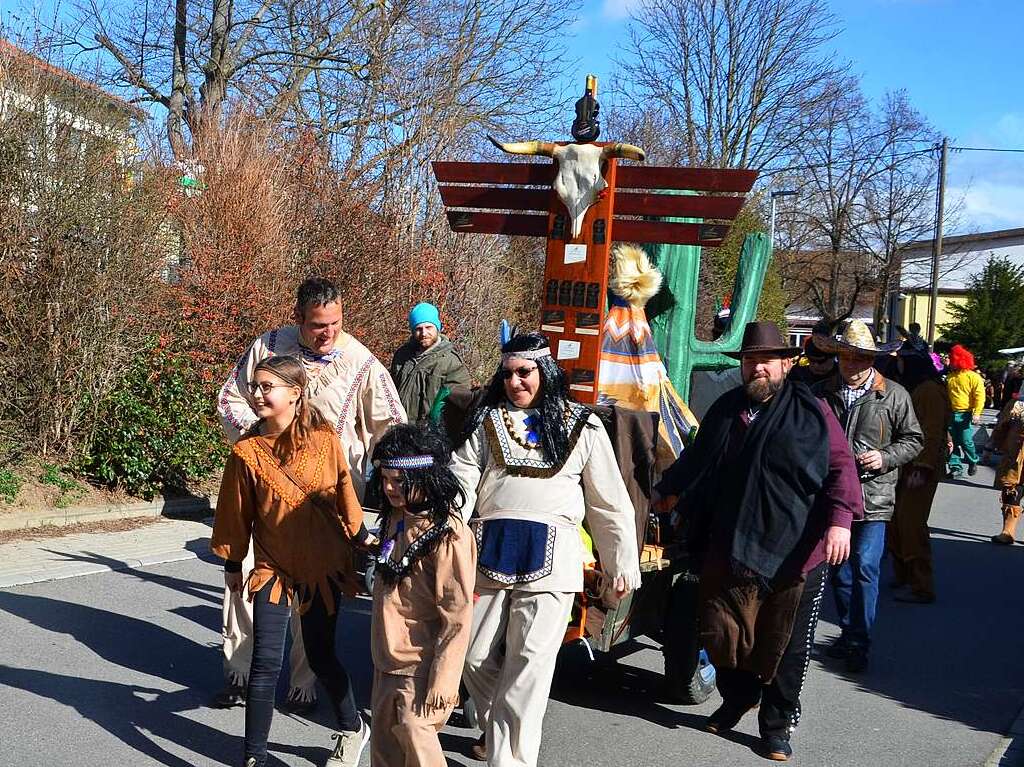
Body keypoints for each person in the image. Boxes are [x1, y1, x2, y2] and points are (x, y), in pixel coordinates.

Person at [656, 321, 862, 763]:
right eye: (750, 361)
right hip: (729, 542)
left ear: (786, 363)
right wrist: (662, 490)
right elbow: (696, 460)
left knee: (784, 644)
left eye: (766, 360)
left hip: (796, 550)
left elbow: (842, 468)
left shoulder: (813, 410)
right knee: (724, 634)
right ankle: (737, 697)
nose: (757, 369)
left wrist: (840, 521)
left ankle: (776, 725)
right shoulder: (728, 408)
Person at [214, 277, 406, 711]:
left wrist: (393, 477)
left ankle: (304, 682)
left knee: (314, 593)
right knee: (244, 578)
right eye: (319, 325)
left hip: (325, 501)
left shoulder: (361, 362)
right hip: (263, 488)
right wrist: (258, 440)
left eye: (336, 323)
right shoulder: (268, 347)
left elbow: (391, 425)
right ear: (298, 318)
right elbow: (230, 398)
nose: (329, 333)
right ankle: (239, 673)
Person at [451, 332, 641, 767]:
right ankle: (499, 724)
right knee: (472, 655)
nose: (516, 382)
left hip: (553, 561)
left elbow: (608, 501)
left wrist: (621, 562)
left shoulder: (584, 424)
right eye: (508, 374)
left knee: (528, 671)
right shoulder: (486, 422)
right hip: (487, 554)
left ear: (545, 372)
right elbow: (461, 480)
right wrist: (446, 532)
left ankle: (510, 760)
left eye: (525, 372)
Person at [211, 355, 373, 767]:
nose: (258, 393)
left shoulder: (324, 441)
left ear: (295, 393)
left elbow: (344, 493)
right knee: (266, 662)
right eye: (257, 386)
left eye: (269, 387)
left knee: (320, 656)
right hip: (273, 570)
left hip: (323, 568)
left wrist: (361, 538)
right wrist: (232, 565)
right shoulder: (246, 452)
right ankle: (255, 757)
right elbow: (234, 514)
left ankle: (353, 728)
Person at [816, 320, 923, 672]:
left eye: (860, 357)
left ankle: (859, 640)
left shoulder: (894, 394)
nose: (852, 363)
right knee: (840, 570)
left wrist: (884, 457)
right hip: (832, 497)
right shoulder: (820, 393)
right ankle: (849, 633)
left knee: (864, 565)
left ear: (871, 359)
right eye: (846, 356)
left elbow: (914, 440)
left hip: (874, 496)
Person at [369, 423, 477, 767]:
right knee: (385, 752)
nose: (389, 488)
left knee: (418, 742)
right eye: (385, 478)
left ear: (427, 478)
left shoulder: (449, 535)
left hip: (422, 665)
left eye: (399, 480)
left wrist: (445, 680)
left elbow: (457, 615)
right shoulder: (395, 517)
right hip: (386, 663)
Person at [888, 354, 951, 604]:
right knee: (896, 522)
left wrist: (922, 468)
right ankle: (903, 575)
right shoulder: (918, 387)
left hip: (919, 471)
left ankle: (922, 586)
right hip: (906, 467)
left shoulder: (929, 391)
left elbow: (932, 432)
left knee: (911, 524)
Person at [390, 302, 472, 423]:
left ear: (437, 327)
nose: (424, 333)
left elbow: (458, 406)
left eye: (428, 327)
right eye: (418, 329)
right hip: (399, 428)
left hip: (430, 434)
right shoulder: (402, 356)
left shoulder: (451, 363)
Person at [989, 396, 1024, 544]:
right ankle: (1007, 531)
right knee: (1011, 489)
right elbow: (1002, 426)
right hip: (1014, 454)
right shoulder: (1018, 403)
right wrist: (991, 445)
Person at [946, 344, 985, 477]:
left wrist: (977, 413)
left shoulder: (973, 377)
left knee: (966, 441)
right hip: (950, 414)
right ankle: (955, 468)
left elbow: (980, 396)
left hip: (966, 414)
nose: (950, 362)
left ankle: (973, 460)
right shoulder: (949, 377)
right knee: (952, 442)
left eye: (951, 359)